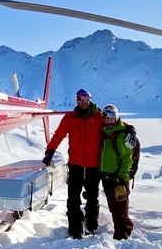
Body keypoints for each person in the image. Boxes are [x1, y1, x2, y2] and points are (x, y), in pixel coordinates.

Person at [42, 88, 104, 239]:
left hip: (93, 166)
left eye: (87, 100)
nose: (84, 103)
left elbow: (114, 125)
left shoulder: (99, 116)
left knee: (92, 197)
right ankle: (75, 229)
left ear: (90, 100)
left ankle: (91, 226)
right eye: (81, 100)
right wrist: (50, 151)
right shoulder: (70, 117)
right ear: (77, 100)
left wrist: (129, 130)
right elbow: (59, 134)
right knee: (73, 198)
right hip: (75, 164)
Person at [98, 103, 135, 240]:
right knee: (114, 208)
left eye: (111, 115)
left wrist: (122, 179)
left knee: (120, 209)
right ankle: (119, 233)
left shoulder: (122, 135)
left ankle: (123, 235)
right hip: (106, 177)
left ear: (117, 116)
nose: (108, 119)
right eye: (105, 116)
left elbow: (127, 159)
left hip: (118, 178)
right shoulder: (105, 131)